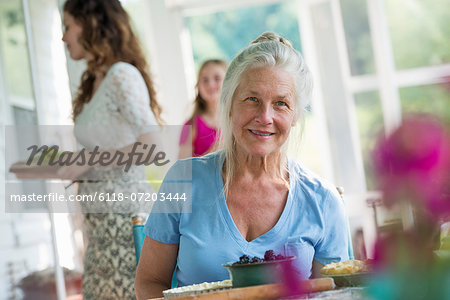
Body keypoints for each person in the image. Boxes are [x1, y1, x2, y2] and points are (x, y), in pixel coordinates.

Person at [135, 32, 350, 299]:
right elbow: (150, 282)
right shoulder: (184, 180)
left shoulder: (323, 200)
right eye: (252, 99)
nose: (265, 117)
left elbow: (337, 294)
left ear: (295, 115)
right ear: (228, 104)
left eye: (281, 103)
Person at [60, 0, 162, 298]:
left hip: (127, 222)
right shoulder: (94, 81)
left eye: (68, 26)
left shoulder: (121, 75)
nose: (64, 37)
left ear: (92, 23)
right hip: (101, 230)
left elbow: (152, 143)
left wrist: (88, 163)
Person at [178, 59, 227, 158]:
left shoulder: (238, 120)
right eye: (205, 80)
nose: (211, 84)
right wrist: (212, 153)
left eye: (217, 78)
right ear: (198, 86)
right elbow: (183, 168)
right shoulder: (190, 125)